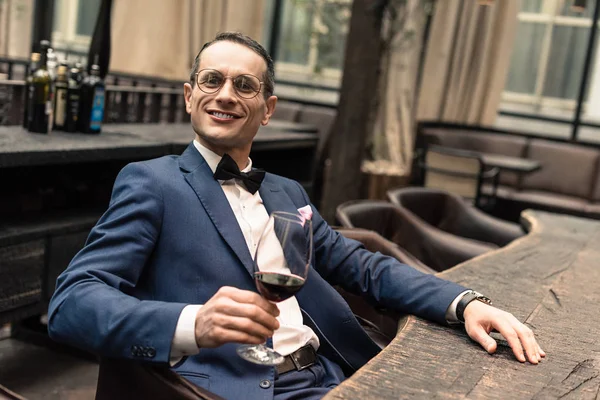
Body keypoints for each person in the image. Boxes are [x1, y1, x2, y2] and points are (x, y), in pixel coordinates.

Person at [48, 32, 544, 400]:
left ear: (267, 109)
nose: (225, 95)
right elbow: (72, 302)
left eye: (244, 85)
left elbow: (364, 267)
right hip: (232, 387)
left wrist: (465, 302)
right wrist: (192, 323)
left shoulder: (287, 192)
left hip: (338, 372)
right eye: (211, 80)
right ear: (189, 96)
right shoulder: (152, 182)